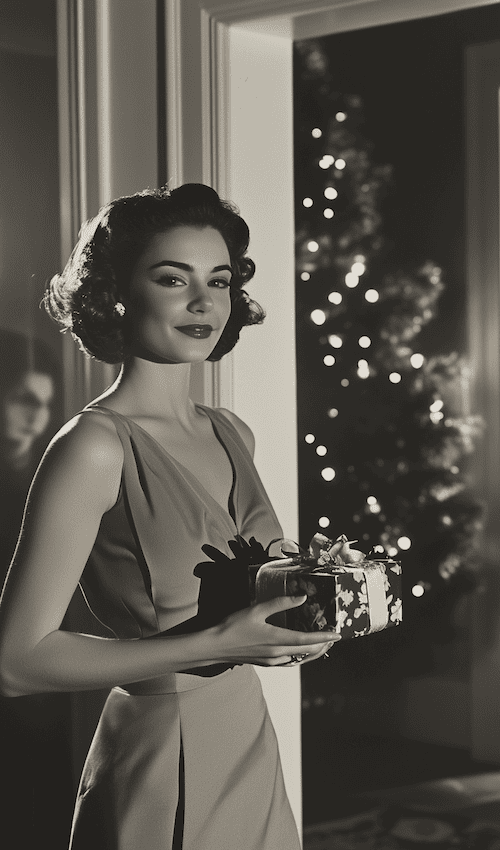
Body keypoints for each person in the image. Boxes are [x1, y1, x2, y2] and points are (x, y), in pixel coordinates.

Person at [0, 184, 340, 850]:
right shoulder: (93, 446)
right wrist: (219, 646)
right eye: (171, 278)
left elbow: (252, 600)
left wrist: (310, 611)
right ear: (118, 291)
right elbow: (15, 662)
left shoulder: (232, 431)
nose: (203, 302)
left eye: (218, 281)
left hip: (248, 737)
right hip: (162, 750)